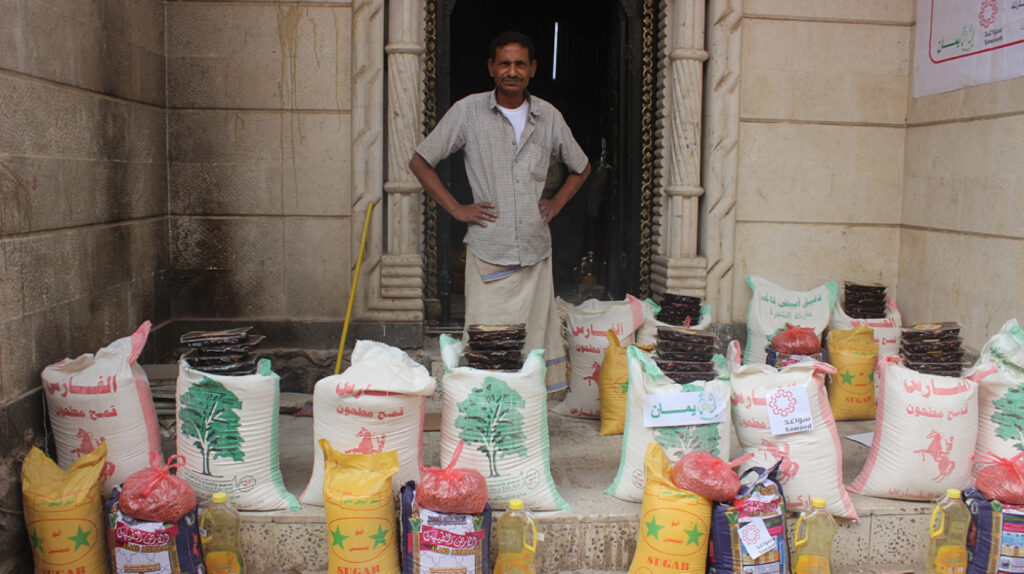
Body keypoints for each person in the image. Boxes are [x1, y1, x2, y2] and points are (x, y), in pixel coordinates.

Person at [410, 31, 591, 391]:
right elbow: (420, 161)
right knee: (486, 338)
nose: (512, 71)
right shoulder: (468, 111)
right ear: (491, 68)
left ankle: (528, 403)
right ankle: (485, 399)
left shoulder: (548, 117)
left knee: (532, 340)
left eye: (520, 63)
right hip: (488, 249)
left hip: (535, 249)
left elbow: (581, 166)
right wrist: (457, 208)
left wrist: (555, 203)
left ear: (533, 69)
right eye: (504, 63)